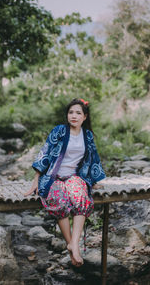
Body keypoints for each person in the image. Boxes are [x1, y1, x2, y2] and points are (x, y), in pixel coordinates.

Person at [24, 98, 106, 266]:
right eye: (71, 112)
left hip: (74, 177)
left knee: (81, 197)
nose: (74, 116)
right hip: (53, 177)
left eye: (78, 113)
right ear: (67, 115)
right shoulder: (59, 131)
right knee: (58, 200)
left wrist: (94, 180)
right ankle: (71, 245)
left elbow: (93, 158)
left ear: (85, 117)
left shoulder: (87, 135)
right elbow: (45, 153)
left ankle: (74, 244)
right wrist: (36, 179)